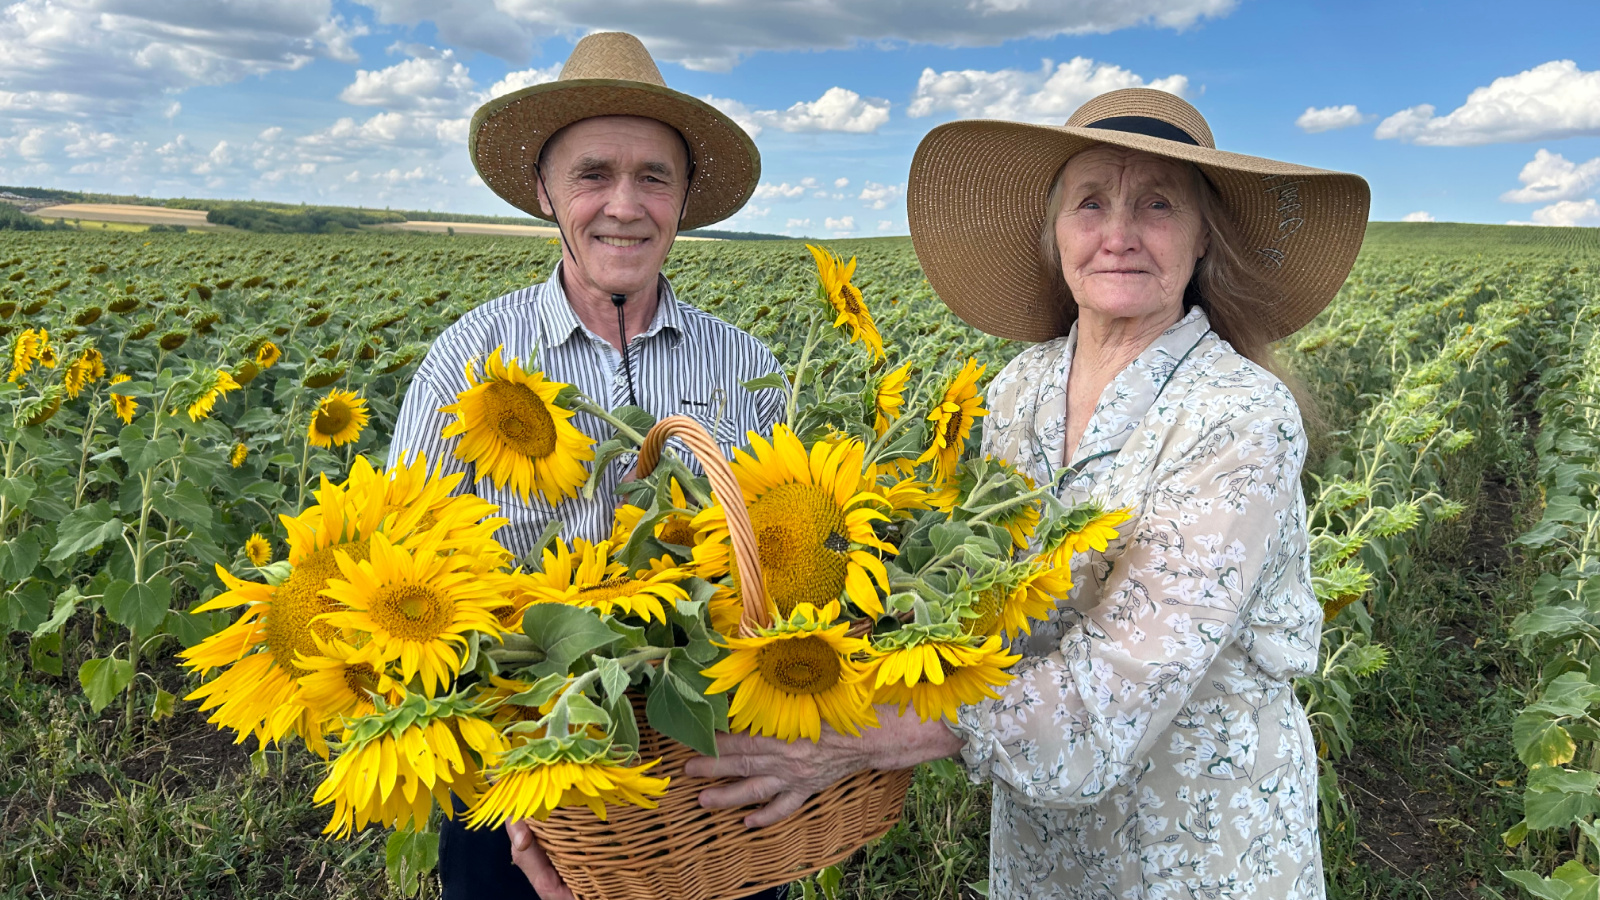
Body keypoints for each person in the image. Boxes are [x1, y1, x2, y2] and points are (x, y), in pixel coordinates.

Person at [685, 88, 1369, 899]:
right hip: (1046, 851)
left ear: (1201, 241)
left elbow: (1117, 688)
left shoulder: (1240, 413)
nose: (1118, 234)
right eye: (1090, 203)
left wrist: (854, 733)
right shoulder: (1017, 390)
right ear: (1055, 235)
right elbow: (976, 598)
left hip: (1204, 843)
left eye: (1157, 203)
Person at [387, 31, 788, 900]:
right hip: (523, 765)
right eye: (592, 174)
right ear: (543, 192)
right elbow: (401, 560)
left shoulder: (744, 367)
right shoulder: (469, 360)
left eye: (654, 177)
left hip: (708, 764)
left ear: (684, 200)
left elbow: (788, 566)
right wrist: (508, 765)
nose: (624, 205)